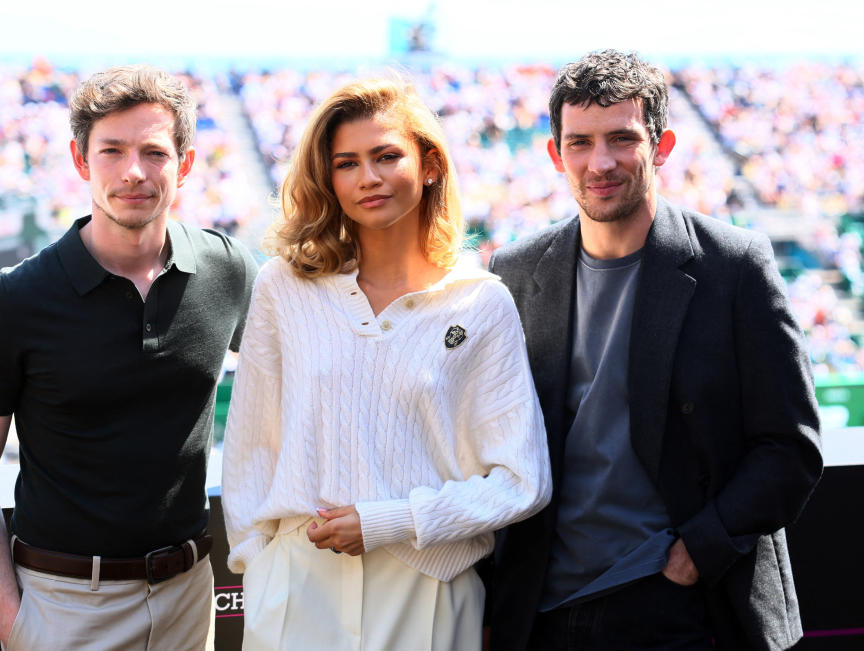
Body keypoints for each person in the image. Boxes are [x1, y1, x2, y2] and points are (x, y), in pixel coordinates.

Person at [486, 50, 823, 650]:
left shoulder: (734, 265)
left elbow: (790, 447)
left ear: (660, 146)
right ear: (555, 153)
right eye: (580, 143)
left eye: (621, 139)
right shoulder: (516, 270)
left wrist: (700, 549)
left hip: (682, 604)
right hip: (543, 611)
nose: (601, 162)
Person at [220, 77, 551, 650]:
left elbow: (522, 481)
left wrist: (390, 522)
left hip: (427, 586)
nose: (367, 178)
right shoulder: (284, 288)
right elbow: (250, 449)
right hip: (298, 589)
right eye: (346, 163)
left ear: (427, 164)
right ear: (329, 179)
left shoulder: (482, 302)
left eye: (386, 156)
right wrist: (264, 568)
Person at [0, 64, 257, 650]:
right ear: (81, 160)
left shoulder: (228, 269)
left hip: (192, 601)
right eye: (111, 150)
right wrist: (15, 625)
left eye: (154, 152)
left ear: (185, 164)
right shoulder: (14, 301)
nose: (133, 172)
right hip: (65, 609)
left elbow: (304, 365)